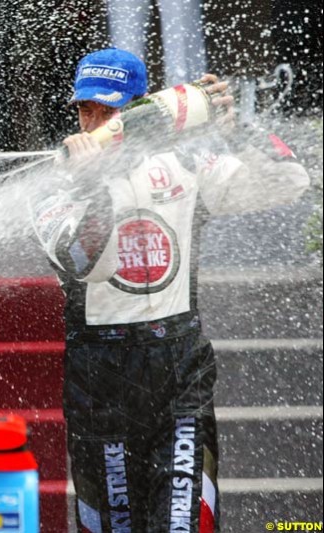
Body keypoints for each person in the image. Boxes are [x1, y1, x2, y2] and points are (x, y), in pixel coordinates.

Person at [31, 48, 310, 532]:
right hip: (100, 378)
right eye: (87, 109)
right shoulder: (55, 184)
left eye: (111, 110)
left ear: (143, 109)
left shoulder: (190, 162)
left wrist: (234, 130)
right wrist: (94, 181)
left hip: (178, 368)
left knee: (184, 524)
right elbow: (86, 263)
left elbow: (290, 181)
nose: (96, 121)